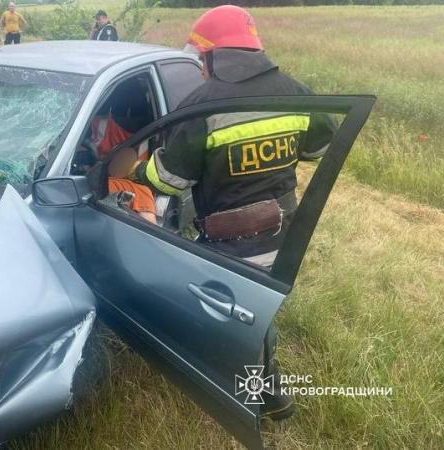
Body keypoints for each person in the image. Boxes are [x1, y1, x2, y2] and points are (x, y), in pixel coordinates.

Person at [130, 5, 336, 420]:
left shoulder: (202, 104)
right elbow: (319, 148)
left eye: (202, 60)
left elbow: (171, 179)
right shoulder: (295, 91)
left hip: (232, 240)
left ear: (210, 56)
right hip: (286, 229)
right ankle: (268, 392)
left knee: (242, 319)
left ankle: (263, 397)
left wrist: (137, 169)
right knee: (261, 306)